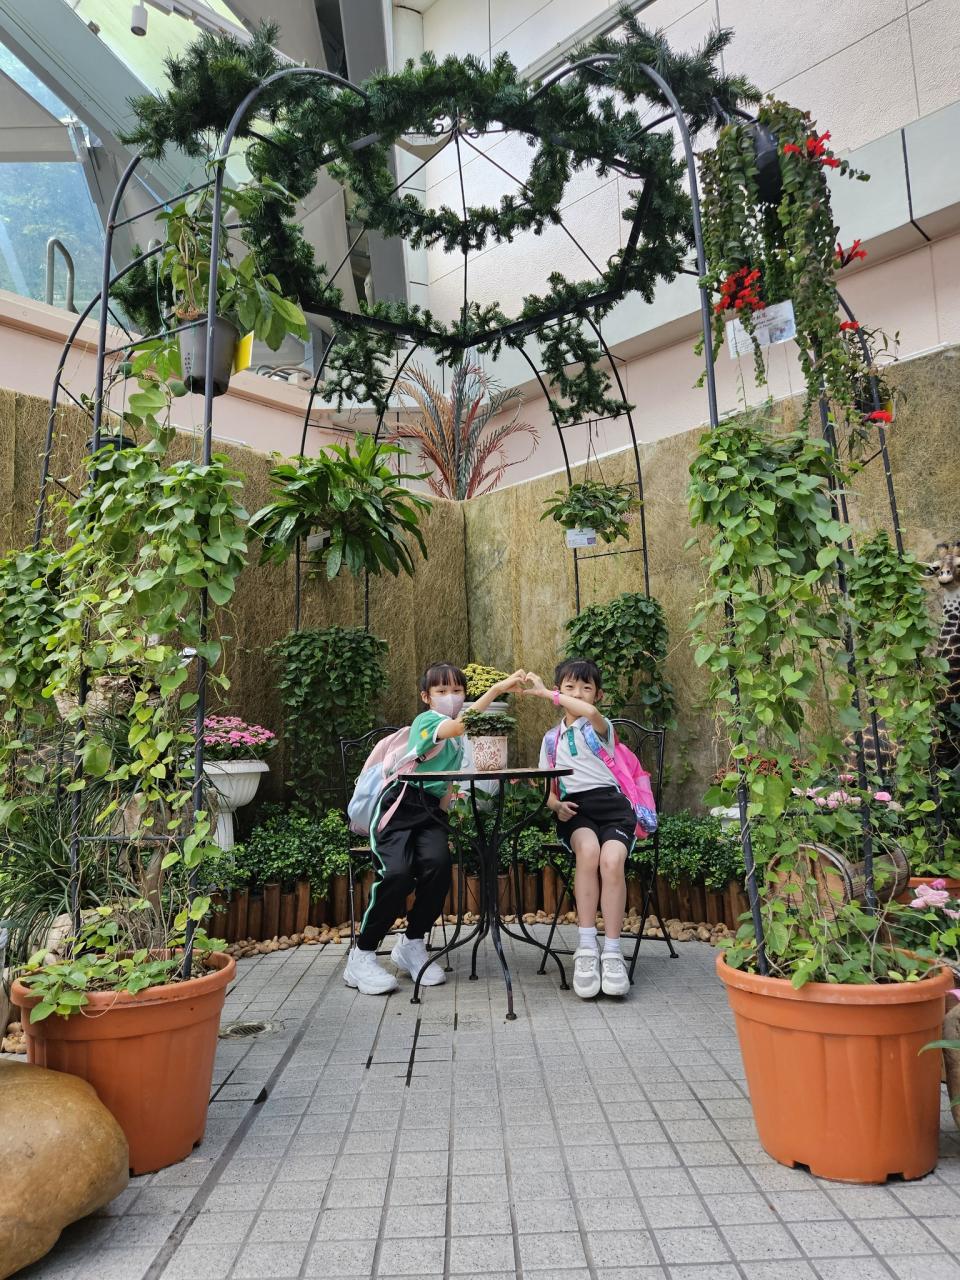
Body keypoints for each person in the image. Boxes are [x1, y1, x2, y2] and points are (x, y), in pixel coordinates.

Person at [344, 661, 525, 996]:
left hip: (430, 812)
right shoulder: (427, 721)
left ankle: (411, 944)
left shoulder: (457, 742)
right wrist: (498, 690)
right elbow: (457, 726)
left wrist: (444, 826)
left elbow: (445, 787)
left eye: (457, 690)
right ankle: (362, 955)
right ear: (426, 696)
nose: (450, 696)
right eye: (442, 690)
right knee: (397, 874)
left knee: (439, 868)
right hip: (398, 806)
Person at [525, 660, 633, 999]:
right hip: (576, 812)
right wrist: (556, 806)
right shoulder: (551, 739)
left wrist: (547, 694)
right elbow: (546, 791)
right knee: (589, 851)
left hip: (614, 809)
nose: (578, 694)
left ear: (598, 695)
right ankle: (586, 947)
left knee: (611, 861)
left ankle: (612, 952)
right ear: (561, 689)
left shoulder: (600, 727)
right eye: (569, 687)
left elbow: (588, 712)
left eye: (586, 688)